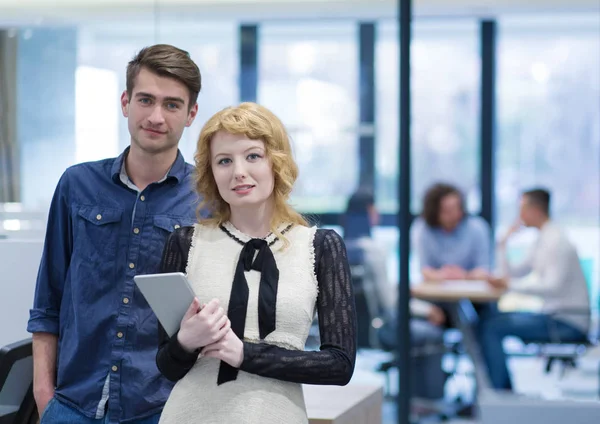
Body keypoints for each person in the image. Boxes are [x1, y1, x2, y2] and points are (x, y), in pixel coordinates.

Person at [27, 44, 202, 423]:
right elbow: (48, 300)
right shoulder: (77, 184)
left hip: (162, 408)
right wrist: (43, 393)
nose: (156, 116)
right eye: (146, 100)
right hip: (72, 404)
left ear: (191, 114)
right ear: (126, 102)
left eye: (172, 105)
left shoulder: (206, 200)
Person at [154, 102, 356, 424]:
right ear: (211, 173)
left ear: (275, 162)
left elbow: (339, 365)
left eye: (252, 156)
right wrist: (185, 341)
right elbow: (167, 366)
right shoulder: (185, 243)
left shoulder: (320, 246)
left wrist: (244, 354)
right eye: (224, 161)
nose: (238, 172)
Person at [479, 188, 590, 391]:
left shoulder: (557, 241)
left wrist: (509, 285)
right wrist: (503, 243)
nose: (519, 216)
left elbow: (552, 287)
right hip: (552, 316)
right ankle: (499, 391)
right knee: (490, 321)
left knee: (492, 328)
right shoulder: (542, 239)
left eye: (522, 209)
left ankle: (501, 392)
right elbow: (513, 273)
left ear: (536, 210)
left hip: (566, 321)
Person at [341, 188, 446, 347]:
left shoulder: (340, 248)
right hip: (383, 328)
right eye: (373, 208)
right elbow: (388, 302)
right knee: (435, 333)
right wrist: (426, 310)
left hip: (348, 331)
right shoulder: (373, 251)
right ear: (368, 212)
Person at [415, 183, 492, 282]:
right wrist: (443, 275)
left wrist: (463, 275)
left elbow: (484, 269)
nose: (455, 214)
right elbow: (425, 270)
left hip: (471, 291)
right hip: (436, 293)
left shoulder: (477, 228)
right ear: (435, 212)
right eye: (448, 210)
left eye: (458, 208)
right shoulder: (423, 230)